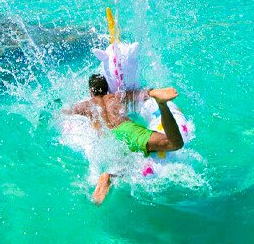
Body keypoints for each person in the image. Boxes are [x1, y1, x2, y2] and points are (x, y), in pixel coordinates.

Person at [65, 74, 184, 204]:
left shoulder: (86, 105)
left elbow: (66, 112)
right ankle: (162, 104)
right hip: (127, 129)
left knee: (124, 166)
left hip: (107, 138)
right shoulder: (116, 97)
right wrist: (151, 91)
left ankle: (109, 177)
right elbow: (141, 94)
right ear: (107, 88)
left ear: (90, 91)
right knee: (174, 143)